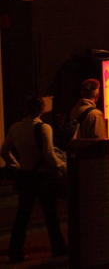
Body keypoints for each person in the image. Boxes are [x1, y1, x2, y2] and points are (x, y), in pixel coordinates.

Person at [1, 96, 67, 263]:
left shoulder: (15, 128)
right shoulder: (44, 128)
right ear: (42, 109)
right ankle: (58, 248)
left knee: (22, 215)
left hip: (25, 175)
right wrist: (62, 166)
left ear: (26, 109)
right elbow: (49, 155)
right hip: (43, 177)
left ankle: (15, 251)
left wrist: (16, 165)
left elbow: (4, 151)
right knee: (50, 214)